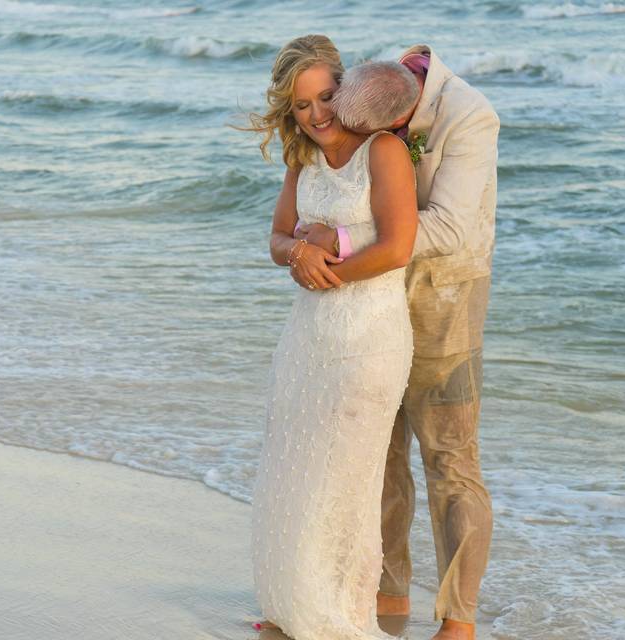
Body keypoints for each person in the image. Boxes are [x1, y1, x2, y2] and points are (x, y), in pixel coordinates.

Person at [292, 46, 500, 640]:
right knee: (376, 447)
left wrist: (343, 234)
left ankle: (459, 617)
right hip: (372, 298)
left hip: (446, 294)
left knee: (450, 455)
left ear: (403, 120)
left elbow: (452, 225)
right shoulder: (370, 84)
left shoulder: (470, 116)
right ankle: (388, 591)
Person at [241, 34, 418, 640]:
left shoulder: (385, 151)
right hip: (308, 336)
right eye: (300, 106)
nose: (315, 115)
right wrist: (297, 253)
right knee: (293, 465)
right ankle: (292, 606)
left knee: (344, 476)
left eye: (324, 98)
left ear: (347, 91)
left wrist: (329, 268)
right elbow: (276, 237)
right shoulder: (302, 159)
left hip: (370, 337)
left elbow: (397, 247)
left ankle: (336, 615)